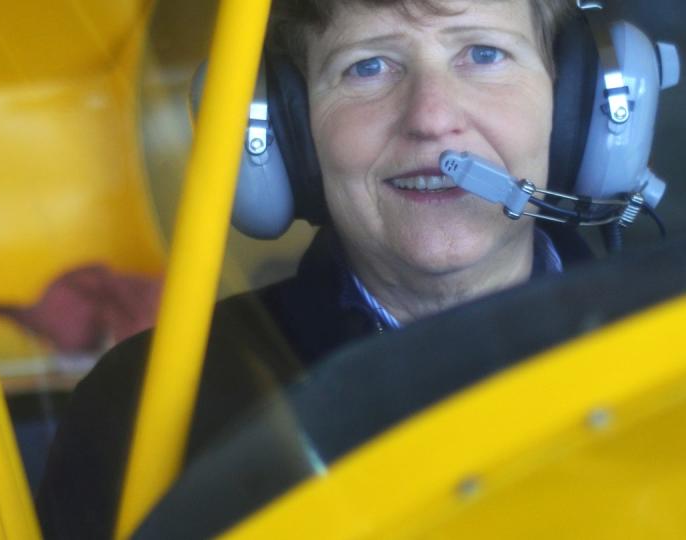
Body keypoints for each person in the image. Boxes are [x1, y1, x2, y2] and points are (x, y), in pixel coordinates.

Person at [36, 0, 588, 537]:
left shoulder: (672, 339)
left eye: (484, 54)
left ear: (572, 103)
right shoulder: (139, 411)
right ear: (284, 129)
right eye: (368, 67)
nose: (431, 118)